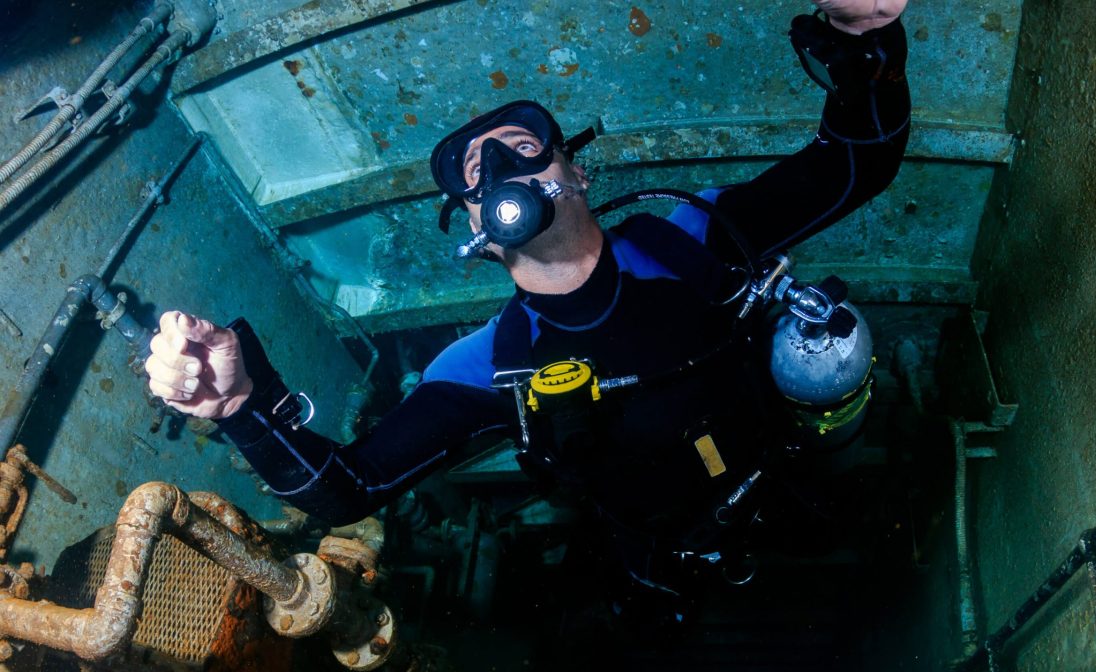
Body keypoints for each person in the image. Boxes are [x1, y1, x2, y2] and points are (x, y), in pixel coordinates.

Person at [147, 0, 911, 600]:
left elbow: (855, 166)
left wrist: (863, 48)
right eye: (472, 173)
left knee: (857, 550)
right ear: (474, 224)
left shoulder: (696, 238)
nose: (498, 167)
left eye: (523, 145)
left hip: (784, 476)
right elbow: (346, 491)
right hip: (665, 543)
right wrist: (241, 405)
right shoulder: (488, 368)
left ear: (574, 172)